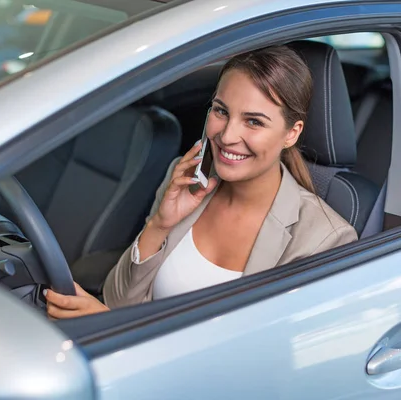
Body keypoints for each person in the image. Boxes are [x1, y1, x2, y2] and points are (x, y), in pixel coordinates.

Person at [44, 44, 358, 319]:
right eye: (221, 111)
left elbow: (254, 366)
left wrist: (105, 323)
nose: (227, 135)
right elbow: (119, 302)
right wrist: (159, 225)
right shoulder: (185, 181)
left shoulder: (324, 240)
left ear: (292, 133)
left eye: (253, 121)